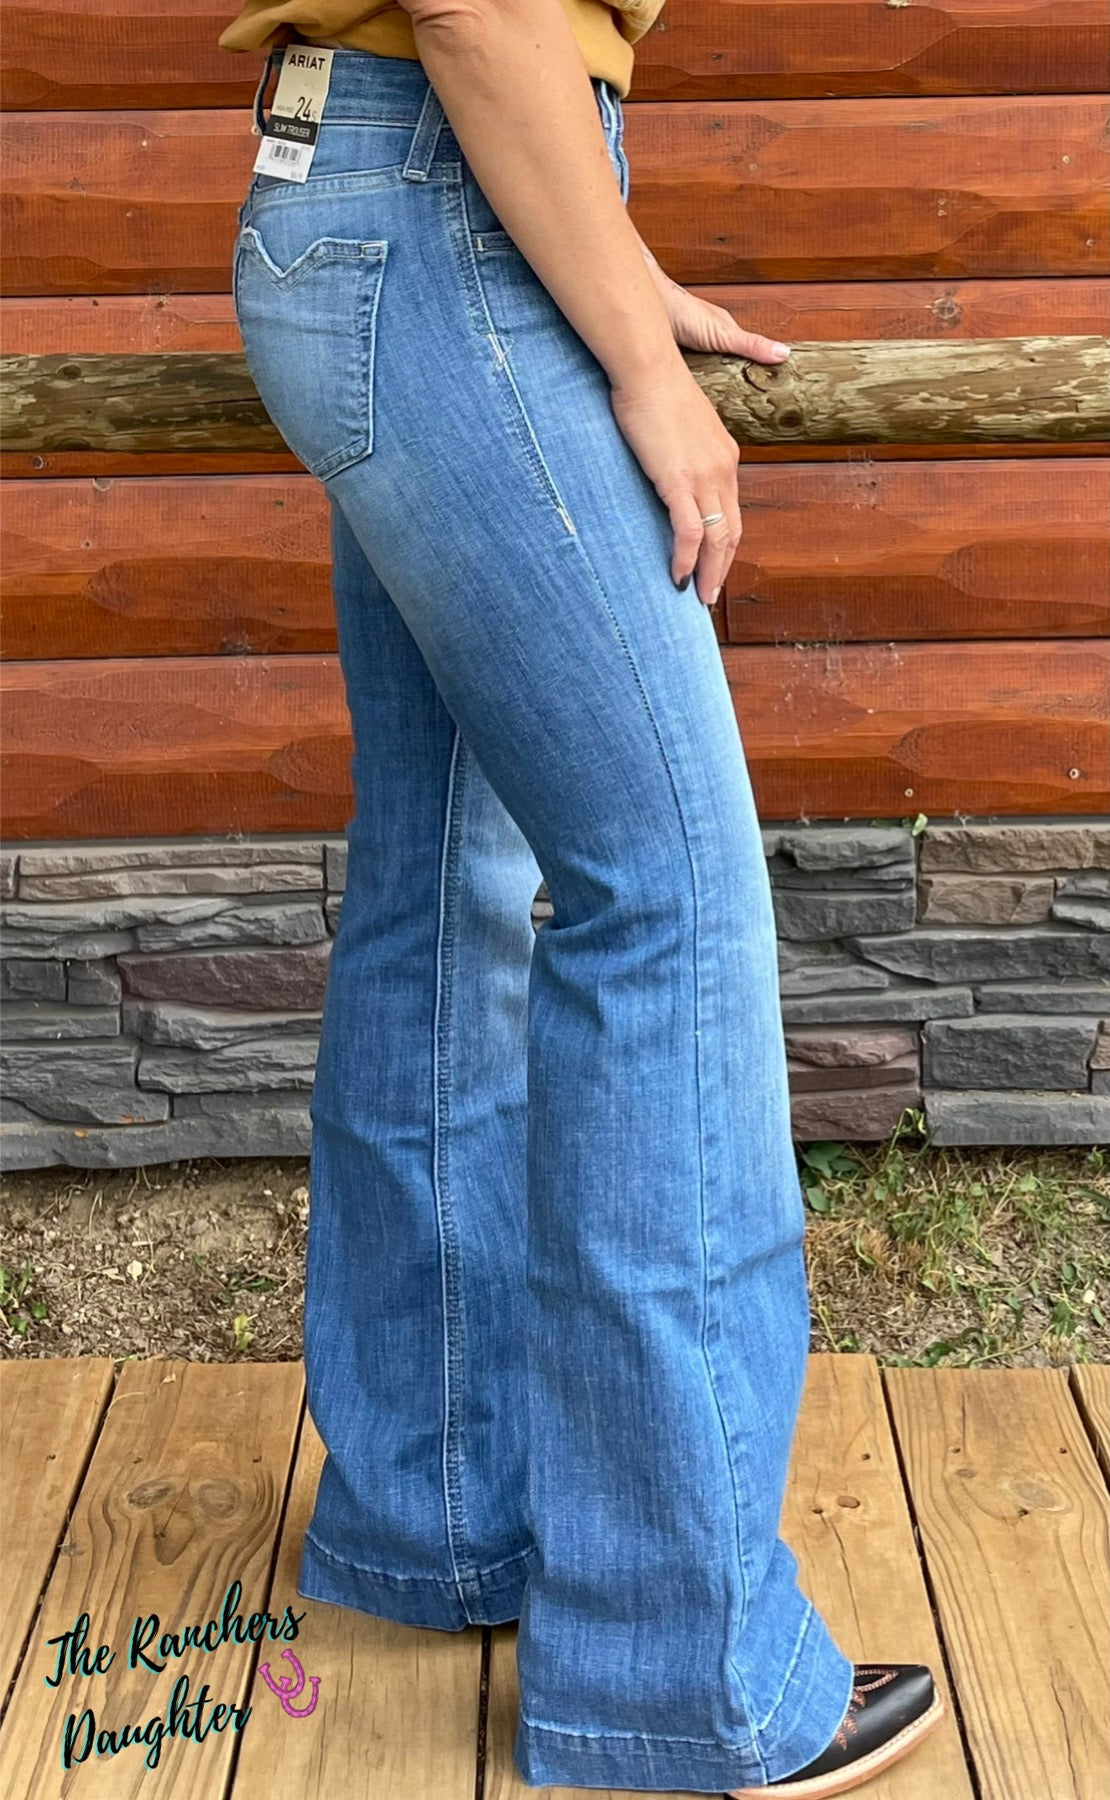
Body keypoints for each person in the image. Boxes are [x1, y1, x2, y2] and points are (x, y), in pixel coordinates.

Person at [219, 0, 945, 1790]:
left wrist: (602, 262)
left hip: (387, 197)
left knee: (447, 865)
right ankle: (682, 1672)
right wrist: (632, 349)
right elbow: (473, 7)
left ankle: (441, 1509)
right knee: (665, 907)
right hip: (442, 210)